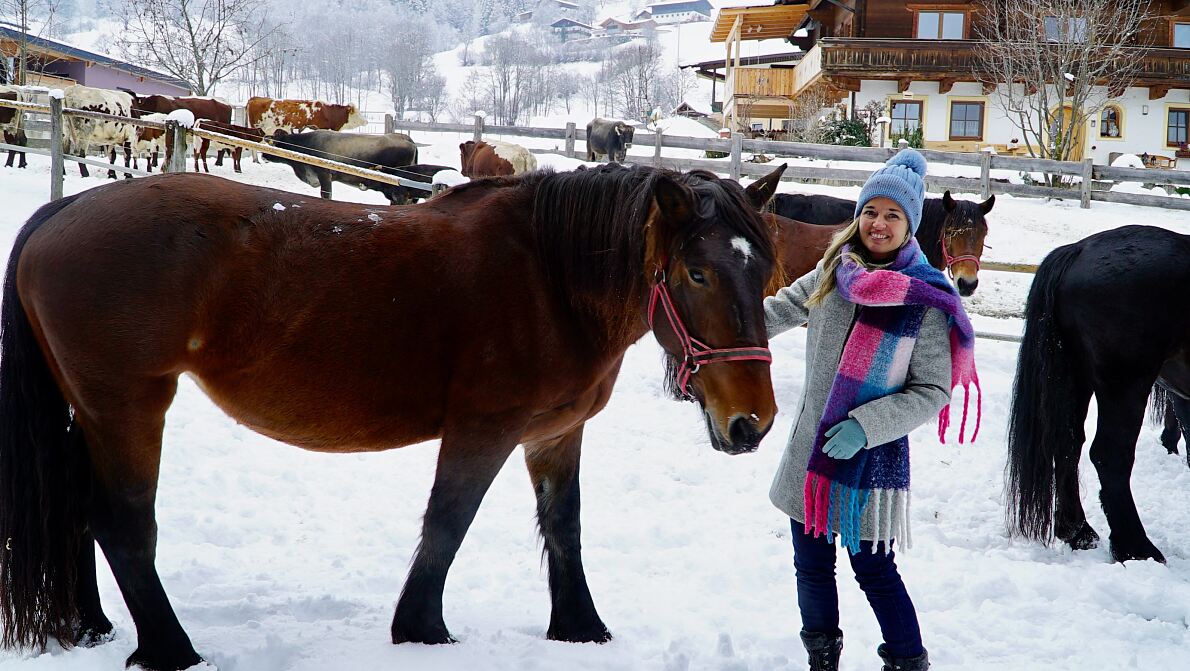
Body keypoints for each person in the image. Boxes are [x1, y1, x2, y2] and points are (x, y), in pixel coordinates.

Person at [763, 149, 980, 671]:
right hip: (812, 452)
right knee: (811, 566)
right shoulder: (835, 270)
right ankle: (822, 659)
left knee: (874, 569)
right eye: (870, 211)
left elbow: (933, 390)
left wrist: (865, 427)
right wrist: (718, 330)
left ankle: (907, 661)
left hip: (870, 458)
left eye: (892, 215)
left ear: (909, 227)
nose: (878, 224)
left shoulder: (926, 297)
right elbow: (783, 308)